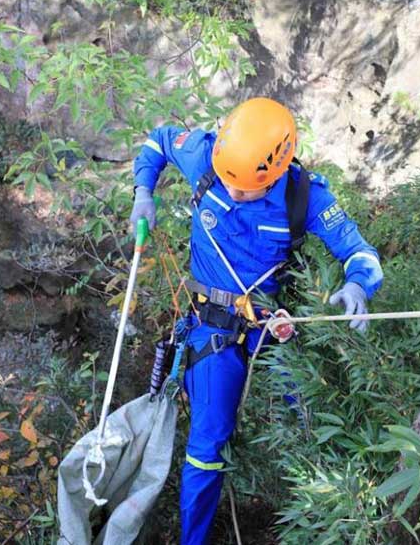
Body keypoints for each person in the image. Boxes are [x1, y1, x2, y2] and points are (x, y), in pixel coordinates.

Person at [130, 97, 383, 544]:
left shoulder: (303, 195)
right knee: (206, 445)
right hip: (211, 326)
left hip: (271, 328)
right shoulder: (209, 158)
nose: (231, 193)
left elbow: (360, 251)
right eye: (227, 183)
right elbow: (158, 142)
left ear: (276, 170)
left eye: (245, 189)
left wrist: (359, 285)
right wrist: (143, 194)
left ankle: (325, 524)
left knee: (305, 425)